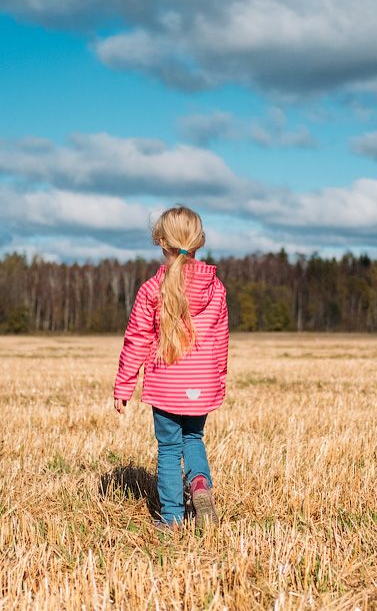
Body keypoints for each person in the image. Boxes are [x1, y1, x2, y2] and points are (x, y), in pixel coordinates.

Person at [113, 204, 229, 530]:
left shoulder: (152, 289)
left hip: (166, 387)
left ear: (161, 241)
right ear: (198, 241)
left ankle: (173, 518)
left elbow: (136, 340)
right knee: (194, 439)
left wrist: (123, 387)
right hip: (201, 386)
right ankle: (201, 485)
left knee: (168, 450)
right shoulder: (216, 289)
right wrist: (216, 383)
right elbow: (221, 342)